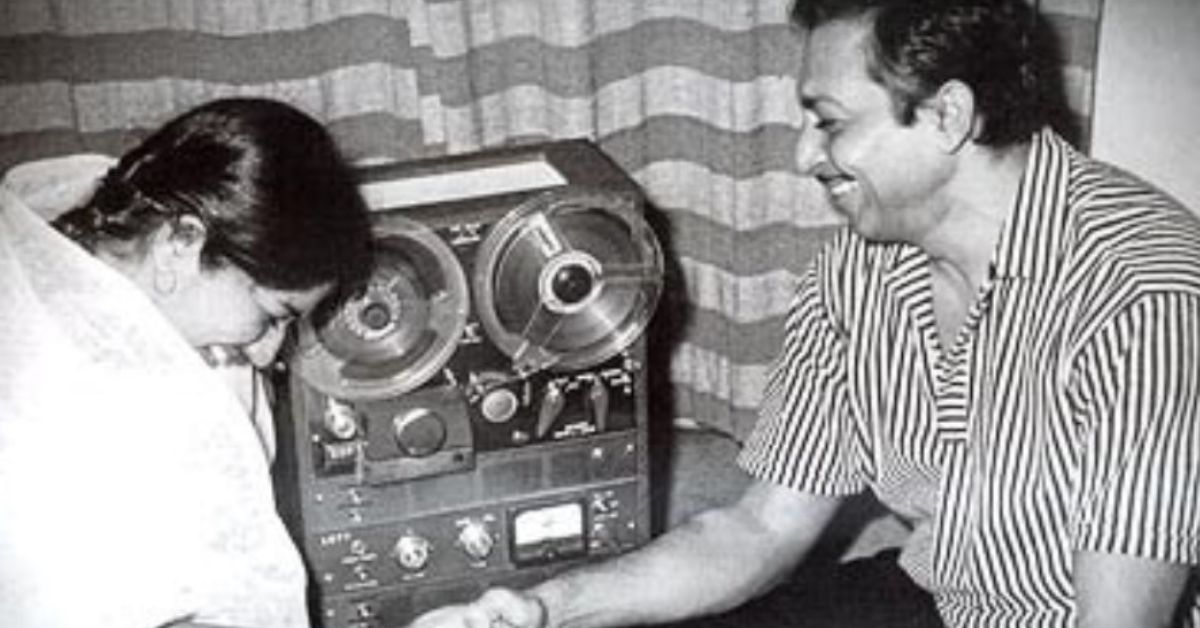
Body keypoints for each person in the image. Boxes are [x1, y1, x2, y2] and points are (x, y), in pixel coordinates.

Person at [406, 0, 1200, 626]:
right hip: (936, 599)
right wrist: (544, 611)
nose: (803, 155)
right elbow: (760, 532)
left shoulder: (1147, 293)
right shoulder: (857, 271)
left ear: (948, 116)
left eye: (830, 121)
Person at [0, 97, 374, 627]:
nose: (269, 351)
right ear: (180, 243)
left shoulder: (153, 336)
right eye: (271, 315)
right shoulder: (49, 399)